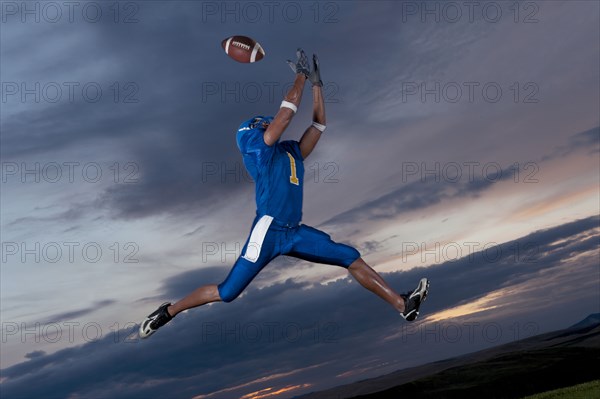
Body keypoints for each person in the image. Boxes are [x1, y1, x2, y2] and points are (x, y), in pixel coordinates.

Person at [140, 49, 429, 338]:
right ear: (253, 130)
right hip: (268, 230)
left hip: (293, 232)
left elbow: (318, 125)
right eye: (262, 122)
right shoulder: (259, 150)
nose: (268, 122)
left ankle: (403, 305)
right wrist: (300, 76)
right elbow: (286, 115)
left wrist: (317, 86)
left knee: (350, 257)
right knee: (227, 292)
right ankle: (168, 311)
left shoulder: (290, 152)